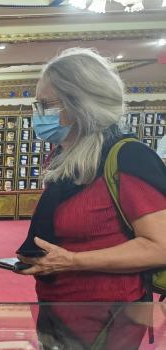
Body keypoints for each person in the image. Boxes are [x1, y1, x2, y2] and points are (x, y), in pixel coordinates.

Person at [17, 48, 166, 303]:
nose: (39, 114)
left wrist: (73, 261)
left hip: (111, 312)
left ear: (81, 104)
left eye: (47, 105)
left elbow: (160, 247)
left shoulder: (129, 158)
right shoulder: (62, 158)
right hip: (58, 304)